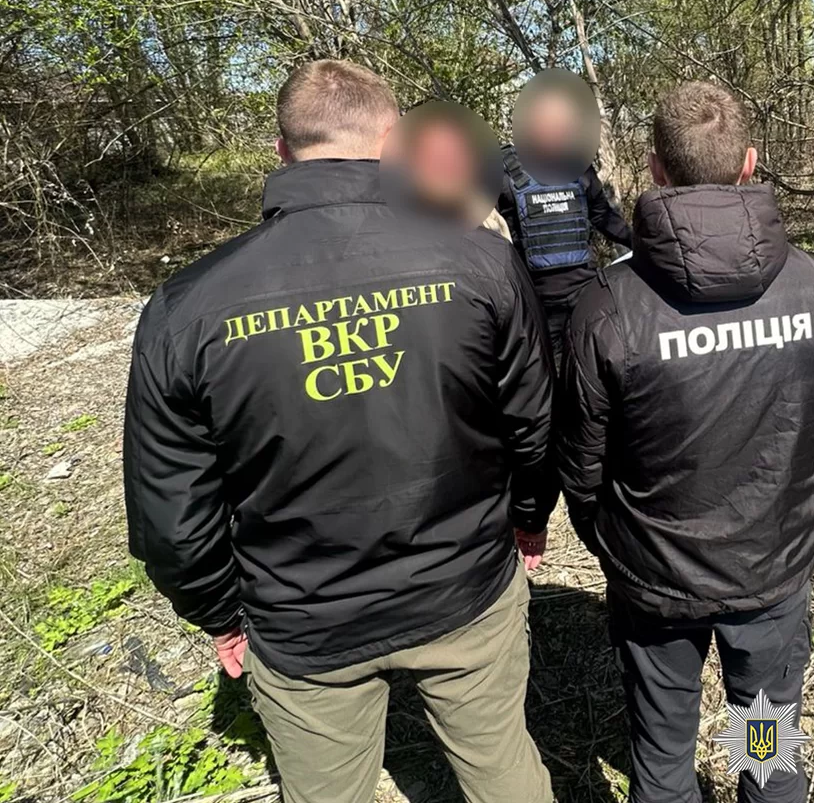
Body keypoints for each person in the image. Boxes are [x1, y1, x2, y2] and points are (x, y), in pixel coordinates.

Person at [123, 60, 556, 803]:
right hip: (460, 589)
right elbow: (532, 422)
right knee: (503, 769)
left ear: (282, 150)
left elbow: (171, 509)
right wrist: (530, 516)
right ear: (395, 144)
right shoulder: (481, 260)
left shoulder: (187, 307)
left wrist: (217, 610)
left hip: (305, 619)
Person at [558, 80, 814, 803]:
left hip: (659, 581)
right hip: (766, 572)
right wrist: (796, 517)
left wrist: (612, 541)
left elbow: (580, 465)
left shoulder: (608, 304)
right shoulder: (810, 287)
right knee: (767, 749)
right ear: (749, 163)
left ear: (655, 169)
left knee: (664, 759)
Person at [498, 77, 632, 369]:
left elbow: (603, 217)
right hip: (533, 303)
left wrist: (641, 242)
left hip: (584, 297)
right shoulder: (502, 168)